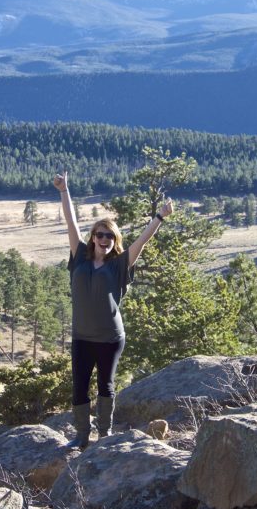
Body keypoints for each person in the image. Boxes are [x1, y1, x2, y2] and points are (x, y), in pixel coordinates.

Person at [53, 171, 173, 449]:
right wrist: (64, 190)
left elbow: (142, 241)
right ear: (93, 237)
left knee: (105, 386)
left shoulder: (120, 265)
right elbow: (70, 221)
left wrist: (160, 217)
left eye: (110, 236)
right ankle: (82, 436)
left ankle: (103, 434)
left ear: (114, 240)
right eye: (100, 234)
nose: (104, 239)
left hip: (110, 337)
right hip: (82, 336)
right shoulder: (79, 257)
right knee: (79, 386)